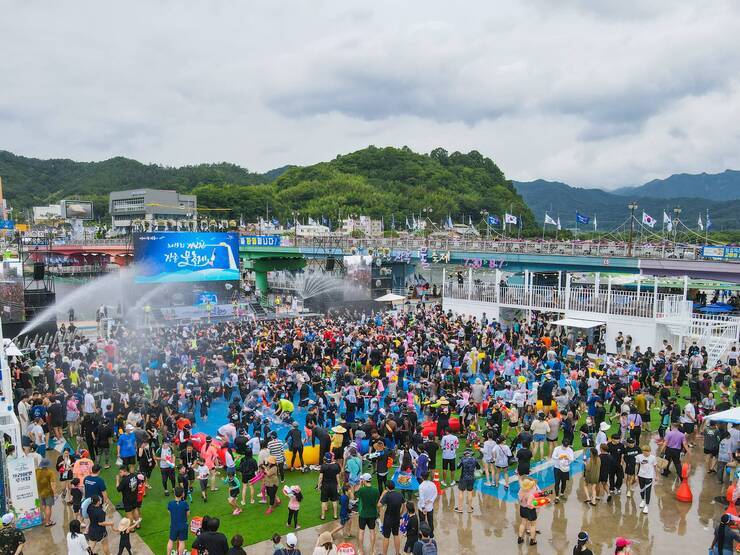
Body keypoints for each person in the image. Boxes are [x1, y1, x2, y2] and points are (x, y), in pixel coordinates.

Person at [356, 473, 380, 555]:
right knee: (372, 532)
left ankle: (361, 550)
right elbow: (377, 503)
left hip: (363, 514)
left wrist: (360, 484)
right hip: (373, 514)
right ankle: (373, 550)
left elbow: (355, 496)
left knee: (361, 532)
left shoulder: (362, 490)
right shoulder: (376, 490)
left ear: (364, 480)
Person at [379, 481, 405, 555]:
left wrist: (382, 495)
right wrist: (401, 513)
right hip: (396, 517)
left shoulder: (387, 495)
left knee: (386, 537)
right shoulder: (399, 494)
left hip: (388, 518)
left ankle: (384, 554)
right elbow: (404, 504)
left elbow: (379, 505)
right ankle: (397, 553)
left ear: (387, 488)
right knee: (396, 535)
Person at [454, 449, 480, 513]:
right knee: (470, 492)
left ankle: (460, 508)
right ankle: (469, 509)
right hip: (471, 478)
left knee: (461, 492)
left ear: (465, 454)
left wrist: (460, 461)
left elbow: (457, 467)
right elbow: (478, 467)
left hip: (463, 478)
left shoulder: (463, 460)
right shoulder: (475, 459)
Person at [167, 486, 190, 555]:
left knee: (171, 541)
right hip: (183, 525)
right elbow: (188, 514)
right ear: (183, 494)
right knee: (181, 541)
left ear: (174, 493)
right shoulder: (185, 504)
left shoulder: (170, 503)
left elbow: (169, 513)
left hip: (174, 525)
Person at [517, 477, 540, 546]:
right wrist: (536, 505)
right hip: (530, 510)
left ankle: (520, 538)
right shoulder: (532, 492)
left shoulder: (521, 490)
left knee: (523, 523)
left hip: (522, 508)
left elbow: (519, 498)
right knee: (533, 525)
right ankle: (532, 540)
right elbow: (530, 503)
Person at [318, 452, 341, 520]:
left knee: (324, 501)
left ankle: (323, 516)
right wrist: (339, 485)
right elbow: (337, 477)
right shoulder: (336, 466)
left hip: (325, 486)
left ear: (325, 458)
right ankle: (335, 515)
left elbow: (320, 477)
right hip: (333, 485)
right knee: (334, 501)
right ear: (331, 458)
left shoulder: (323, 466)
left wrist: (319, 485)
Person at [635, 446, 657, 514]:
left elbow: (655, 466)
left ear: (650, 451)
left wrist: (657, 476)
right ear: (642, 451)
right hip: (641, 475)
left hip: (649, 476)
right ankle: (643, 500)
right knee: (642, 489)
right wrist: (636, 474)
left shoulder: (653, 458)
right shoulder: (639, 456)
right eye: (645, 452)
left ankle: (646, 506)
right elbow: (636, 466)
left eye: (648, 452)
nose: (646, 453)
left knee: (648, 491)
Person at [551, 438, 575, 502]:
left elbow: (572, 459)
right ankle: (556, 497)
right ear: (562, 443)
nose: (565, 447)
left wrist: (568, 458)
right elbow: (553, 456)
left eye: (566, 446)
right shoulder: (557, 448)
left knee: (564, 482)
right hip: (557, 467)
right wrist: (559, 457)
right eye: (564, 445)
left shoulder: (570, 450)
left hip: (565, 468)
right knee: (557, 482)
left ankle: (562, 494)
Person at [35, 457, 57, 527]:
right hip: (48, 492)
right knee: (48, 507)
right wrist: (55, 493)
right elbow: (52, 484)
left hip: (40, 492)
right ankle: (48, 522)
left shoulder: (37, 471)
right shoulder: (50, 473)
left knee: (44, 506)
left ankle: (46, 519)